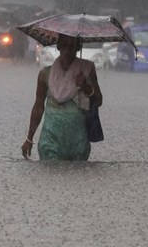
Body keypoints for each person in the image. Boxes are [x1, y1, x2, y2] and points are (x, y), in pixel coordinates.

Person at [21, 33, 103, 161]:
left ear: (78, 48)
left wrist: (86, 87)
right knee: (50, 176)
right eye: (64, 45)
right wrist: (29, 139)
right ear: (58, 46)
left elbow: (98, 100)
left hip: (78, 141)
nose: (68, 50)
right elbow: (38, 107)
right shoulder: (45, 74)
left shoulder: (87, 70)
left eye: (72, 46)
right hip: (50, 140)